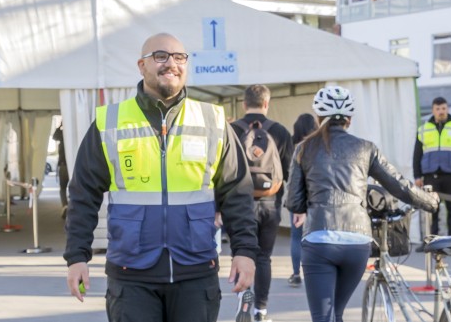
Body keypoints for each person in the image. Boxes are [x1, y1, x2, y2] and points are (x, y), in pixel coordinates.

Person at [63, 33, 259, 322]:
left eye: (179, 57)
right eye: (161, 56)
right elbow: (83, 194)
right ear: (141, 66)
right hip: (131, 275)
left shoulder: (212, 121)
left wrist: (245, 251)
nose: (171, 64)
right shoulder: (110, 122)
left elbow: (237, 193)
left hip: (196, 270)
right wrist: (77, 256)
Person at [286, 86, 439, 322]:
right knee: (336, 312)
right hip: (357, 241)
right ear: (349, 118)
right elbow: (398, 185)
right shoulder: (366, 148)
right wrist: (430, 201)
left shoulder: (304, 149)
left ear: (318, 117)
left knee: (324, 317)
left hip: (319, 240)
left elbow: (294, 203)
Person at [231, 84, 293, 322]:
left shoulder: (232, 130)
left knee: (240, 252)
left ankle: (242, 298)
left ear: (244, 104)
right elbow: (289, 172)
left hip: (239, 205)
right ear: (267, 103)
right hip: (270, 203)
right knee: (264, 257)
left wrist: (217, 208)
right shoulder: (280, 131)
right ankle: (261, 309)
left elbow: (220, 173)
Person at [413, 96, 451, 237]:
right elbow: (417, 155)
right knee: (432, 210)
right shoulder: (424, 129)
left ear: (447, 109)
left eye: (443, 108)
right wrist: (417, 176)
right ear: (433, 110)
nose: (441, 111)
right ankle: (432, 240)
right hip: (430, 177)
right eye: (438, 109)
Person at [286, 113, 318, 288]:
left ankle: (296, 273)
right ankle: (313, 273)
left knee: (296, 236)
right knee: (314, 236)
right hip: (315, 195)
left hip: (297, 196)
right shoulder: (319, 144)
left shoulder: (293, 145)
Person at [52, 122, 69, 219]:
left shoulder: (62, 135)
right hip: (72, 166)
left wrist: (60, 125)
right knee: (74, 187)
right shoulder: (75, 134)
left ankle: (65, 206)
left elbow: (54, 136)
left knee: (63, 188)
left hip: (63, 165)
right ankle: (72, 207)